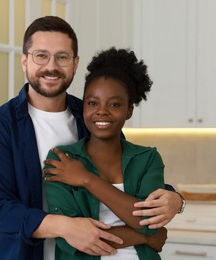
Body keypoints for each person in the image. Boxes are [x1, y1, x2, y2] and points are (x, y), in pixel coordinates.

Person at [0, 16, 184, 260]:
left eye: (62, 57)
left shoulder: (92, 117)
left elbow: (126, 175)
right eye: (41, 55)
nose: (51, 66)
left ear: (75, 63)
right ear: (24, 61)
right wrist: (67, 227)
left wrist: (175, 198)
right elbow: (0, 211)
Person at [43, 47, 167, 260]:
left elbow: (147, 221)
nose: (102, 111)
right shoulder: (62, 160)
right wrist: (145, 237)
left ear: (129, 110)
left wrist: (86, 179)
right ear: (84, 108)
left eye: (114, 104)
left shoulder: (147, 159)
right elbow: (71, 238)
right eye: (92, 103)